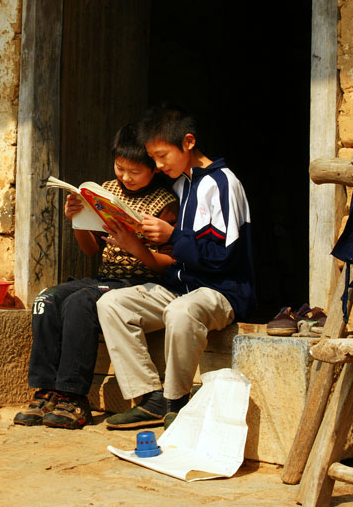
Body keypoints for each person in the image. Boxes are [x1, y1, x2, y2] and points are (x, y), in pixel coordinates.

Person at [97, 104, 256, 430]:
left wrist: (174, 236)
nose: (157, 165)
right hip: (181, 286)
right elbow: (180, 249)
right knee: (112, 303)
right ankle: (149, 398)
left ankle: (176, 402)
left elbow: (224, 257)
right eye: (152, 158)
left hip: (221, 291)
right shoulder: (182, 185)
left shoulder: (222, 184)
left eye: (161, 156)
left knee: (181, 312)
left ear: (187, 142)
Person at [13, 123, 179, 430]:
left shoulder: (164, 203)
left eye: (135, 171)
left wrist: (132, 244)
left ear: (154, 169)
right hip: (106, 277)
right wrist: (78, 220)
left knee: (81, 302)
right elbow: (90, 251)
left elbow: (168, 265)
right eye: (120, 168)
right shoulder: (107, 190)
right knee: (46, 298)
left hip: (139, 285)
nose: (125, 177)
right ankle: (46, 390)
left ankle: (74, 398)